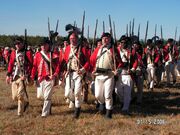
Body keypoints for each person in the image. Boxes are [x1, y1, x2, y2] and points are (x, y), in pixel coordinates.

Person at [90, 32, 123, 119]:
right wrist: (93, 69)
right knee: (98, 95)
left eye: (107, 38)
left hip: (109, 75)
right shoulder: (98, 49)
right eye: (103, 38)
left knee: (108, 95)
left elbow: (120, 63)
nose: (105, 40)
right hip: (98, 75)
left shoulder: (113, 49)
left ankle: (109, 113)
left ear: (109, 39)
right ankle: (102, 104)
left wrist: (117, 71)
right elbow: (92, 60)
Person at [62, 32, 90, 118]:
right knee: (67, 93)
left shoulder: (82, 48)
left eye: (73, 38)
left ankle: (77, 110)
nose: (72, 40)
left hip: (79, 73)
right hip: (69, 73)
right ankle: (74, 101)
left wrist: (82, 70)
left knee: (77, 92)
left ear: (77, 39)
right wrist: (63, 70)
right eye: (70, 39)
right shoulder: (67, 48)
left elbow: (89, 62)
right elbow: (64, 61)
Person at [31, 37, 60, 117]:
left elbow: (58, 66)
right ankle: (48, 106)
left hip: (49, 78)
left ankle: (44, 114)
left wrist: (54, 75)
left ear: (48, 45)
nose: (43, 46)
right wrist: (32, 75)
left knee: (47, 96)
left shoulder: (53, 55)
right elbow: (34, 67)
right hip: (40, 78)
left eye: (45, 44)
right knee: (40, 96)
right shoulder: (37, 55)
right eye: (42, 45)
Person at [6, 37, 33, 116]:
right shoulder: (13, 53)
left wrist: (27, 75)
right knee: (14, 97)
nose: (17, 45)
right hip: (14, 76)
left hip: (22, 76)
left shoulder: (27, 53)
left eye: (18, 43)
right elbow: (10, 64)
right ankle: (25, 103)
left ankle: (20, 113)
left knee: (20, 96)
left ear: (22, 44)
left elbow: (31, 65)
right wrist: (8, 75)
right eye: (16, 44)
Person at [115, 36, 137, 115]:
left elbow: (135, 61)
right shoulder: (116, 50)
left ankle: (125, 108)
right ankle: (122, 101)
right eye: (122, 42)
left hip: (127, 74)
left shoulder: (131, 51)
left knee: (127, 92)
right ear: (120, 43)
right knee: (117, 90)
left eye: (125, 42)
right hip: (119, 74)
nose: (123, 44)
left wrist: (133, 69)